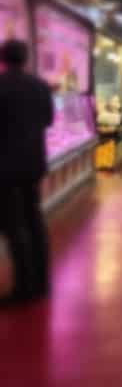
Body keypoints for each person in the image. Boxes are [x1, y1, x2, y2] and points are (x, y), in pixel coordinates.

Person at [0, 40, 54, 301]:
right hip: (34, 163)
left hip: (6, 167)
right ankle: (42, 282)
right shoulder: (40, 86)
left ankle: (24, 287)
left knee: (15, 226)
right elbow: (48, 120)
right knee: (35, 221)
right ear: (25, 59)